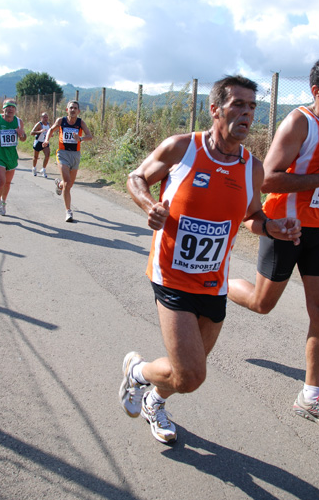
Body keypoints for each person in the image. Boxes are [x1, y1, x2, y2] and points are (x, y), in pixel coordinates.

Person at [119, 75, 301, 444]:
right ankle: (138, 372)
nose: (247, 112)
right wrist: (149, 204)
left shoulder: (253, 168)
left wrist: (274, 228)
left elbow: (252, 216)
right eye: (238, 104)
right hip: (170, 274)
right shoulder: (182, 148)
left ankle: (152, 395)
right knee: (191, 375)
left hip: (213, 280)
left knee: (189, 369)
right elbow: (136, 176)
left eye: (252, 106)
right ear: (215, 109)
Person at [228, 56, 319, 437]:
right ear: (317, 90)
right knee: (262, 305)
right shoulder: (300, 122)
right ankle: (221, 286)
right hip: (284, 228)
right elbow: (267, 179)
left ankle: (311, 396)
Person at [43, 100, 93, 222]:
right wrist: (46, 140)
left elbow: (90, 136)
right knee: (67, 182)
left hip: (75, 154)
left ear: (78, 111)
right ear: (67, 110)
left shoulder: (81, 122)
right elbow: (51, 130)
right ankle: (68, 211)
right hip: (63, 153)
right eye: (71, 108)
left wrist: (80, 138)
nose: (73, 110)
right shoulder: (61, 121)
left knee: (69, 185)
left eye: (75, 108)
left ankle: (59, 185)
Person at [0, 98, 27, 218]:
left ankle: (4, 202)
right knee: (1, 182)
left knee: (8, 183)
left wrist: (21, 134)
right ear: (3, 108)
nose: (10, 109)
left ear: (15, 110)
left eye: (13, 107)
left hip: (11, 156)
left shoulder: (19, 121)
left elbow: (24, 138)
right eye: (7, 107)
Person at [30, 112, 50, 177]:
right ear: (41, 118)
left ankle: (43, 170)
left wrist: (50, 135)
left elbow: (49, 132)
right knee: (36, 157)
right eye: (44, 117)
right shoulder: (39, 124)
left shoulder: (48, 124)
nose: (45, 119)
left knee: (47, 155)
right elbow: (31, 132)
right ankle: (34, 168)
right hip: (38, 142)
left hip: (45, 142)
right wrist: (40, 131)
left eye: (46, 117)